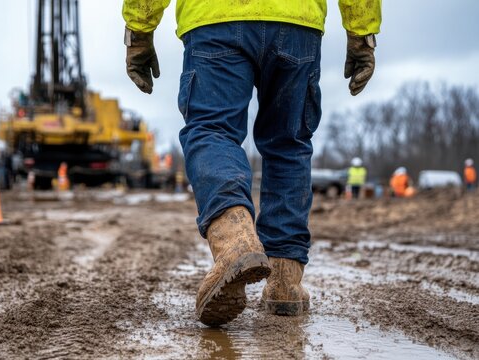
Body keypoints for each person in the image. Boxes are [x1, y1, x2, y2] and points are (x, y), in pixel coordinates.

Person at [122, 0, 381, 326]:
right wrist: (362, 33)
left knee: (212, 130)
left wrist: (139, 30)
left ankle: (234, 240)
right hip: (297, 20)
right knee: (289, 143)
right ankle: (285, 282)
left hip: (215, 17)